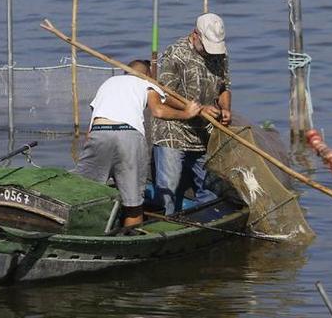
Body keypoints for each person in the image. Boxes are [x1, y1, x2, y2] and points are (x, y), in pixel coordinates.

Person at [75, 60, 202, 227]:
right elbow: (158, 110)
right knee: (133, 204)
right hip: (129, 136)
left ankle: (83, 232)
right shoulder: (147, 83)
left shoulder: (108, 83)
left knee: (83, 194)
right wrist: (187, 113)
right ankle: (130, 239)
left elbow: (91, 128)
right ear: (148, 74)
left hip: (100, 133)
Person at [151, 13, 231, 215]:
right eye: (206, 46)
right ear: (195, 35)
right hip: (173, 132)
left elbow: (224, 88)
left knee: (211, 189)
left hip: (203, 134)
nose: (209, 52)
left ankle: (206, 224)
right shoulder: (175, 53)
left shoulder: (220, 56)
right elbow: (165, 94)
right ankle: (166, 227)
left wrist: (226, 108)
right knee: (167, 189)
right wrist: (199, 109)